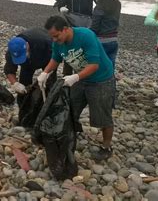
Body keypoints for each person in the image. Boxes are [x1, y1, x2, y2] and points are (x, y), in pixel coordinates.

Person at [38, 15, 115, 161]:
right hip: (81, 79)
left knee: (102, 116)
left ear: (66, 29)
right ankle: (71, 133)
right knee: (70, 108)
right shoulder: (58, 42)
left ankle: (106, 146)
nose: (54, 40)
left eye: (56, 36)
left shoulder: (86, 36)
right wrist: (45, 73)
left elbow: (94, 65)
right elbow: (56, 58)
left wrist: (75, 77)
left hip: (101, 79)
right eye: (52, 37)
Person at [4, 27, 55, 101]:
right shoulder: (12, 52)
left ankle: (50, 102)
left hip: (45, 56)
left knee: (49, 83)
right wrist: (15, 84)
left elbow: (55, 58)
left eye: (22, 56)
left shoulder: (45, 42)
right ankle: (25, 105)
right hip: (27, 65)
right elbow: (9, 70)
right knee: (24, 86)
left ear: (27, 45)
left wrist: (46, 73)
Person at [90, 0, 121, 70]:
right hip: (114, 39)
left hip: (101, 41)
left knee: (100, 68)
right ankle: (111, 82)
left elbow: (95, 27)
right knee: (111, 65)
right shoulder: (117, 4)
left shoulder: (99, 7)